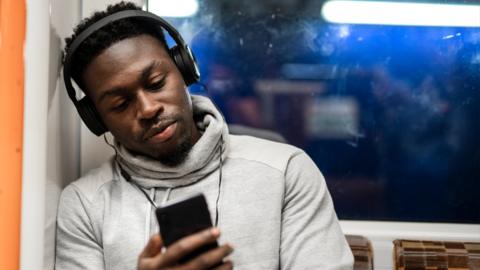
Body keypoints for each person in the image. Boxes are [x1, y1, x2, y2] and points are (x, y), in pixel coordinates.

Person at [55, 2, 354, 269]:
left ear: (185, 69)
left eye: (157, 83)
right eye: (120, 104)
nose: (147, 109)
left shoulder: (285, 170)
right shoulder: (85, 205)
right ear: (96, 119)